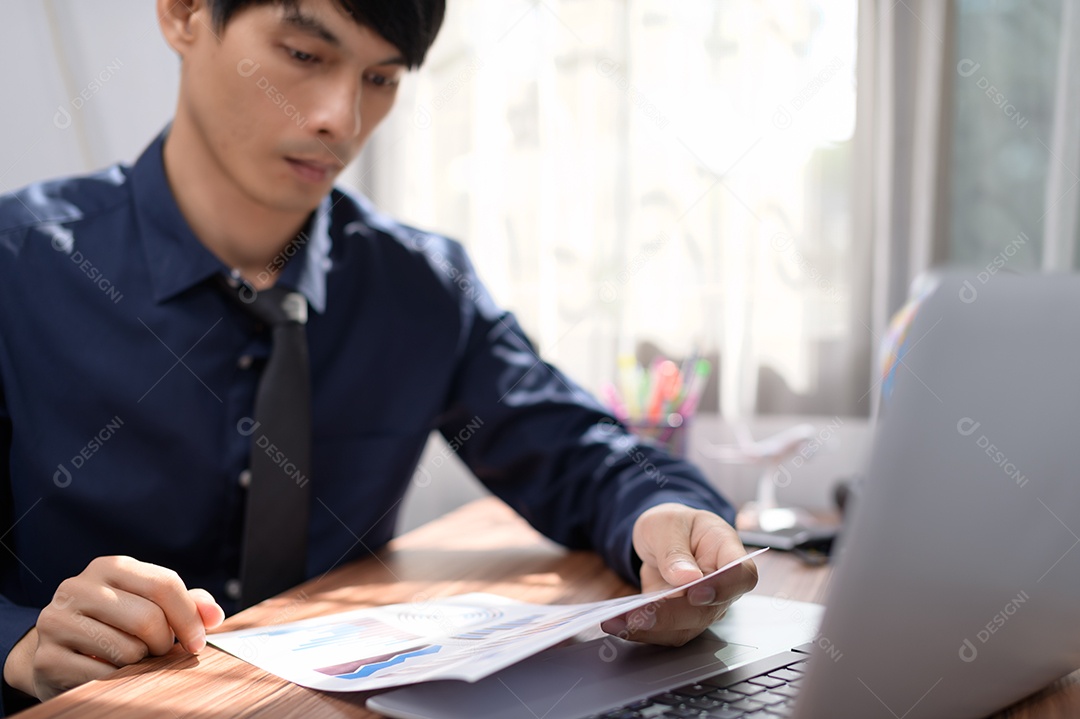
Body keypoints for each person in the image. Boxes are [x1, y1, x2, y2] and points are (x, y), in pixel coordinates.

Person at [0, 0, 756, 712]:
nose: (340, 119)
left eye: (381, 79)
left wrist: (667, 522)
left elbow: (584, 453)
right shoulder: (18, 264)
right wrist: (22, 643)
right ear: (184, 13)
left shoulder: (422, 288)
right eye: (302, 54)